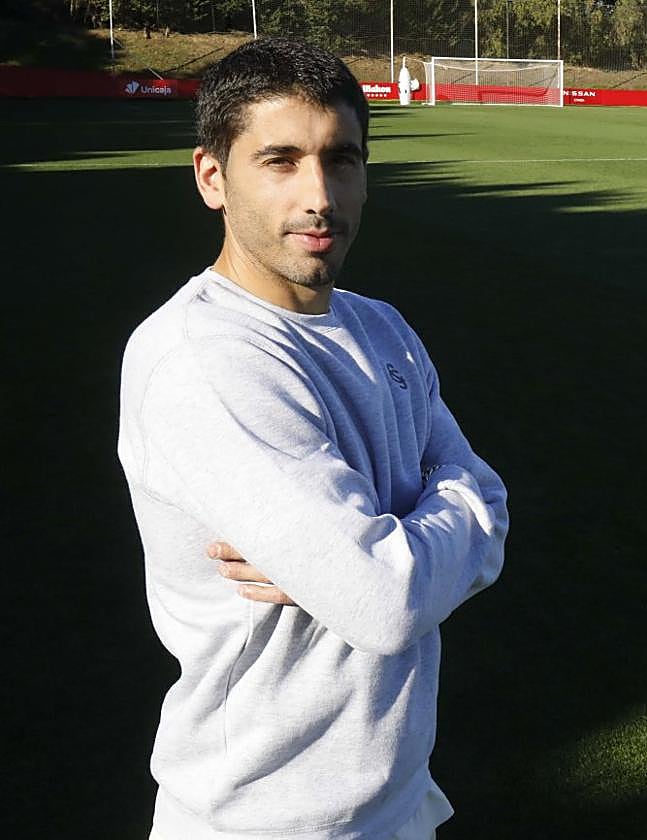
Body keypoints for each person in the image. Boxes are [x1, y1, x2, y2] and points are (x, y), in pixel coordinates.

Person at [117, 38, 508, 840]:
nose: (319, 194)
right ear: (212, 178)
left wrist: (384, 541)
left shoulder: (383, 328)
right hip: (264, 819)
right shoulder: (204, 360)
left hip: (396, 800)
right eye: (281, 160)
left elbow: (488, 501)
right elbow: (386, 600)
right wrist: (432, 520)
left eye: (342, 160)